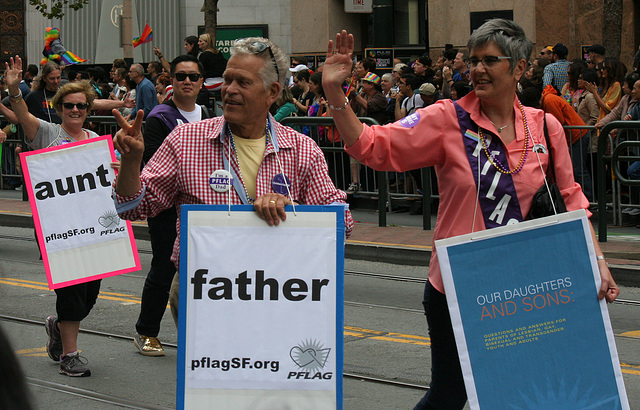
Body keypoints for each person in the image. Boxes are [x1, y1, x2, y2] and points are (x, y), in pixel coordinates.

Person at [321, 20, 619, 409]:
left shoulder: (545, 127)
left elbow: (571, 199)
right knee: (449, 394)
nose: (477, 69)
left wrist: (598, 261)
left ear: (519, 67)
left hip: (528, 291)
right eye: (473, 60)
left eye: (489, 60)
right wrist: (333, 91)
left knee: (527, 389)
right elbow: (372, 147)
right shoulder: (446, 118)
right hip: (459, 288)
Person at [113, 36, 353, 326]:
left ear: (272, 92)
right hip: (205, 289)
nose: (229, 90)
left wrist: (294, 209)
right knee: (213, 371)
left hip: (279, 290)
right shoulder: (185, 141)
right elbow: (132, 207)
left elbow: (341, 222)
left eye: (243, 82)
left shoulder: (302, 149)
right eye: (227, 80)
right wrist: (130, 161)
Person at [5, 56, 103, 377]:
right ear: (59, 108)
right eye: (69, 106)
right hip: (57, 228)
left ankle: (58, 327)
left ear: (88, 109)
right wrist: (14, 89)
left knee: (89, 296)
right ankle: (70, 356)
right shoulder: (47, 132)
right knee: (71, 290)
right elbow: (21, 116)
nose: (75, 111)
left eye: (81, 106)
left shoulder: (95, 140)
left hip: (91, 228)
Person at [133, 54, 212, 356]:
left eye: (193, 76)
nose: (187, 81)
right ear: (172, 81)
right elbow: (155, 166)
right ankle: (146, 330)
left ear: (202, 81)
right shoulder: (159, 118)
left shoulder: (209, 115)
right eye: (181, 76)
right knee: (165, 266)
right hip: (168, 207)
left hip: (204, 206)